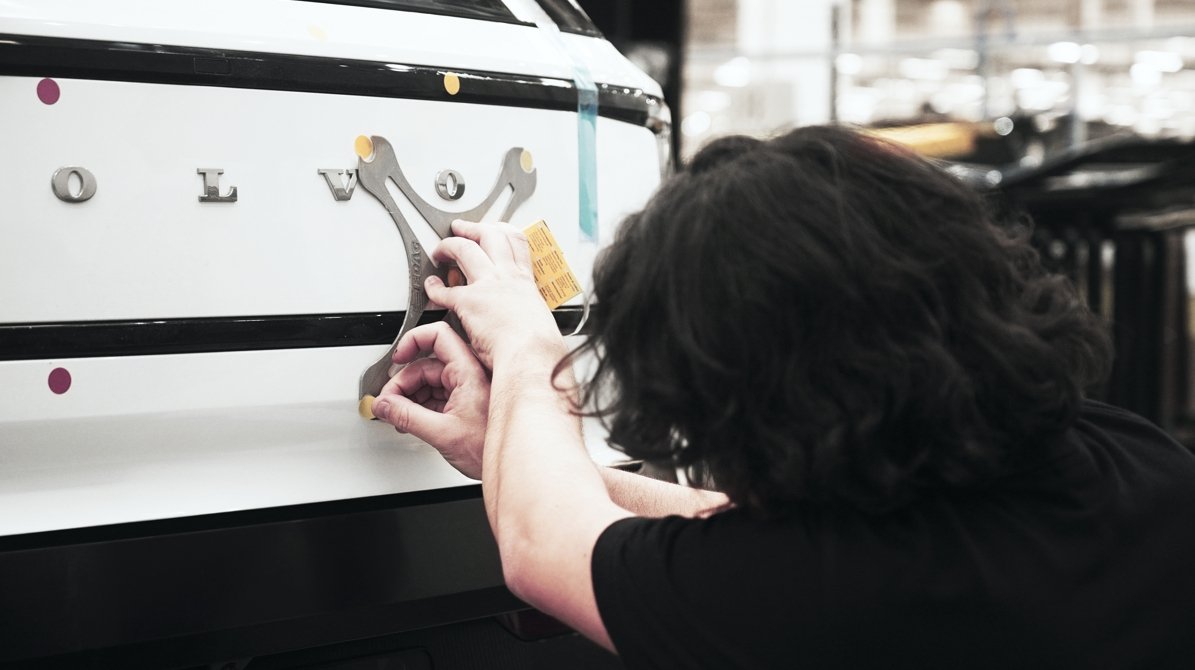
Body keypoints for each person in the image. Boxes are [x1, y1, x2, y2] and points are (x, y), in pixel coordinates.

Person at [369, 125, 1195, 668]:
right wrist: (511, 447)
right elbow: (740, 533)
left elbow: (542, 550)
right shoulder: (1131, 460)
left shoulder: (836, 595)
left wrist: (525, 343)